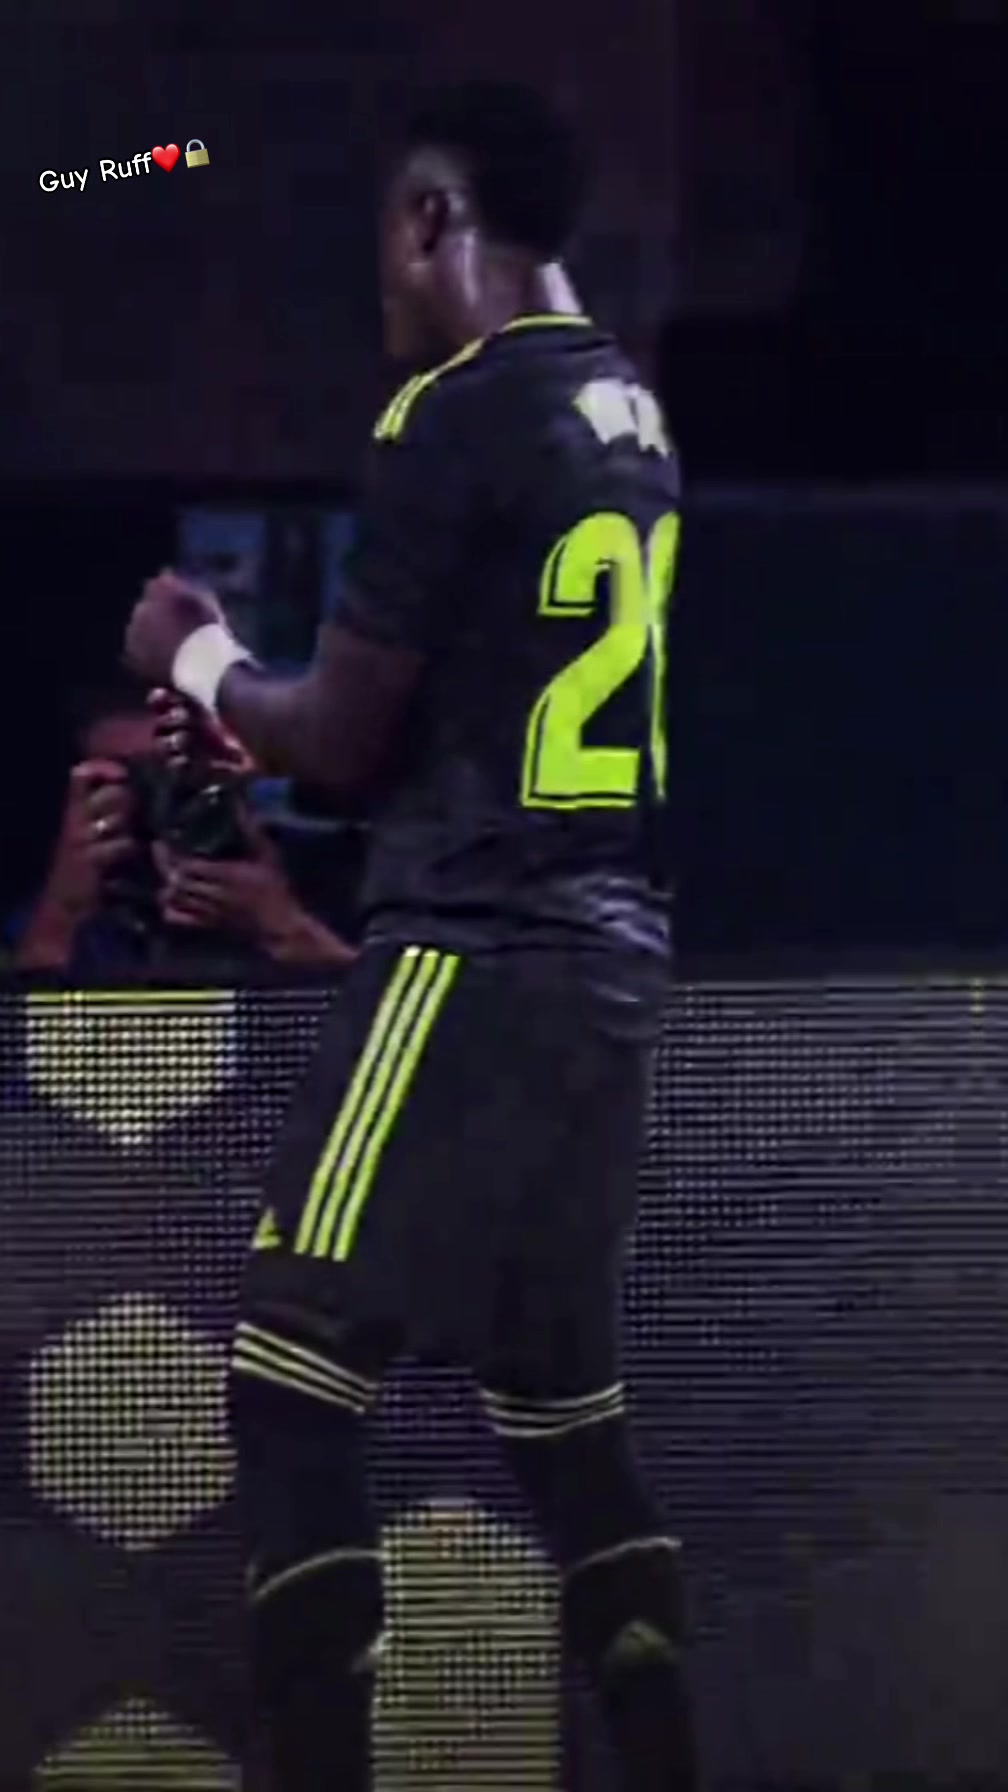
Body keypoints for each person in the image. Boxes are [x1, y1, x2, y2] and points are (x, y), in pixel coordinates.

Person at [124, 80, 692, 1792]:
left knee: (288, 1380)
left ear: (435, 218)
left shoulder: (454, 410)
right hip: (607, 970)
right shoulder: (630, 412)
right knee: (563, 1419)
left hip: (468, 953)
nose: (378, 271)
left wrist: (198, 658)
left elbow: (342, 742)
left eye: (387, 227)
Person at [16, 677, 354, 974]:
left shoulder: (328, 869)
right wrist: (64, 911)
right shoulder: (86, 895)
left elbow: (379, 1003)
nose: (161, 797)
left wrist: (286, 928)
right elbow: (26, 1016)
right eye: (136, 779)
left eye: (179, 773)